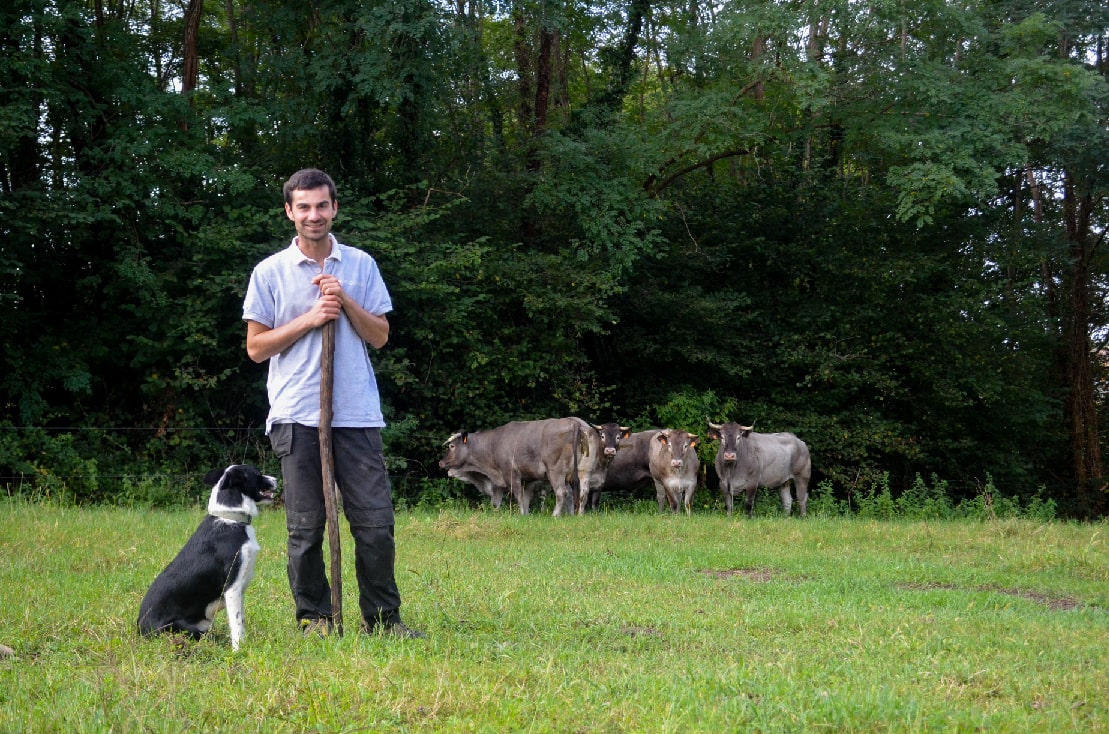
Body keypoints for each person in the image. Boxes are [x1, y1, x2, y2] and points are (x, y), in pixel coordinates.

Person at [242, 168, 423, 639]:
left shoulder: (360, 266)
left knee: (375, 523)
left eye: (321, 205)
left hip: (356, 414)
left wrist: (345, 302)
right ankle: (315, 620)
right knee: (305, 527)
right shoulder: (269, 272)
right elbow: (257, 348)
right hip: (295, 414)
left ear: (334, 208)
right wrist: (310, 317)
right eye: (303, 207)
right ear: (289, 212)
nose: (313, 215)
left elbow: (380, 337)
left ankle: (383, 621)